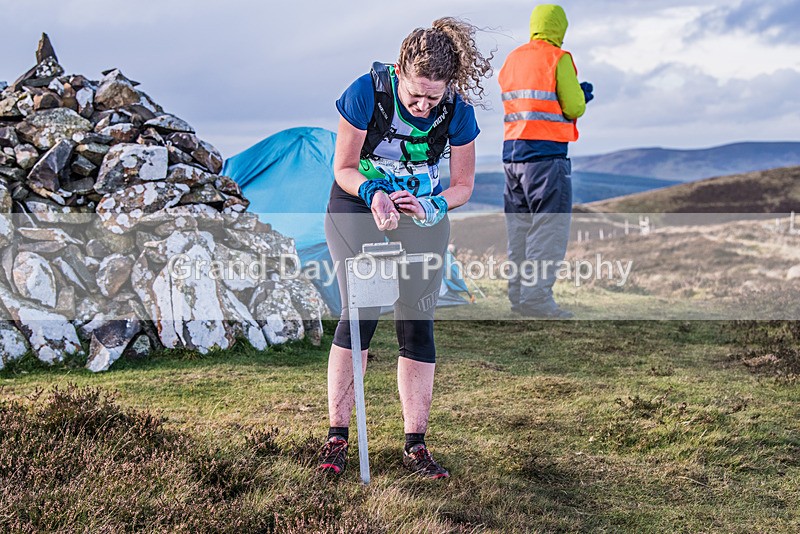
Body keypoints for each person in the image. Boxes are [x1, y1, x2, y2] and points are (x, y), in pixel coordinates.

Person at [318, 17, 492, 479]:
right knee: (363, 313)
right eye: (415, 94)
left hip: (422, 211)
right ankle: (337, 438)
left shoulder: (457, 110)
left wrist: (432, 203)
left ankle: (415, 446)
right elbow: (344, 168)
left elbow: (464, 186)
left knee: (417, 321)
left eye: (432, 97)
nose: (421, 104)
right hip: (358, 204)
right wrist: (374, 194)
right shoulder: (366, 93)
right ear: (399, 72)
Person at [498, 4, 593, 318]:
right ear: (560, 28)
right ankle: (536, 301)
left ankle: (518, 298)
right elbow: (574, 105)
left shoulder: (513, 59)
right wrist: (582, 94)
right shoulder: (558, 58)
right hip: (546, 158)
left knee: (520, 230)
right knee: (547, 230)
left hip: (512, 157)